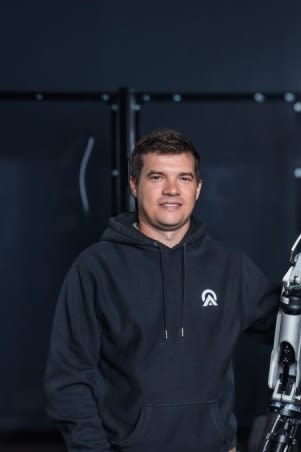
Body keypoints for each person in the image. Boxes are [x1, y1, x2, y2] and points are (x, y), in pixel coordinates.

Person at [44, 128, 278, 451]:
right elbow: (68, 378)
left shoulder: (230, 266)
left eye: (184, 178)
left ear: (197, 188)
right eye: (157, 177)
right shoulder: (95, 268)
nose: (171, 190)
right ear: (134, 185)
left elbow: (292, 326)